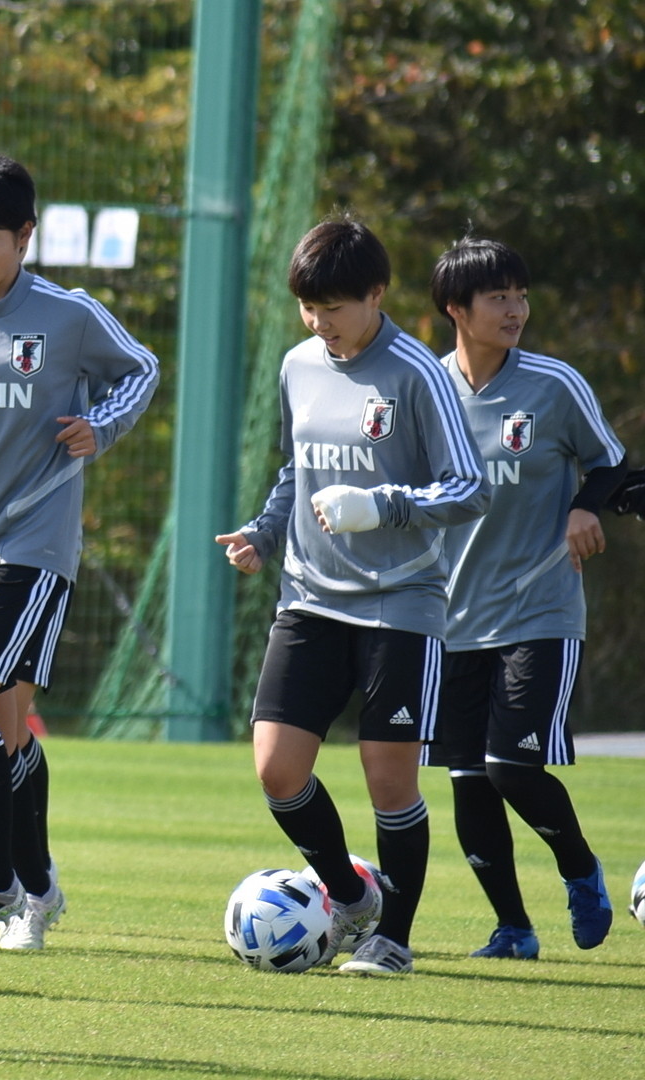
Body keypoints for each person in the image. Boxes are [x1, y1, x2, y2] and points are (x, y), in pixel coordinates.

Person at [215, 215, 490, 975]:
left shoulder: (418, 373)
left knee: (388, 777)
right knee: (276, 768)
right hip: (308, 596)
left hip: (401, 602)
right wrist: (264, 534)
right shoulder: (298, 364)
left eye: (333, 307)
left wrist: (387, 505)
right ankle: (349, 894)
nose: (319, 322)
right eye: (309, 307)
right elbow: (293, 471)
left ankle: (392, 938)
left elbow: (468, 488)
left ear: (376, 294)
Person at [0, 151, 158, 948]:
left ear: (25, 235)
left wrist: (101, 426)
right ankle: (39, 889)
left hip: (32, 544)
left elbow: (141, 368)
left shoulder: (68, 314)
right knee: (6, 724)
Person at [425, 237, 627, 958]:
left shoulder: (554, 385)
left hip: (539, 611)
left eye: (520, 295)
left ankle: (580, 869)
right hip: (446, 621)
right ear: (458, 309)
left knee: (512, 765)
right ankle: (512, 928)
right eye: (498, 298)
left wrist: (584, 507)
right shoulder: (427, 388)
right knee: (468, 782)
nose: (516, 310)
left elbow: (610, 463)